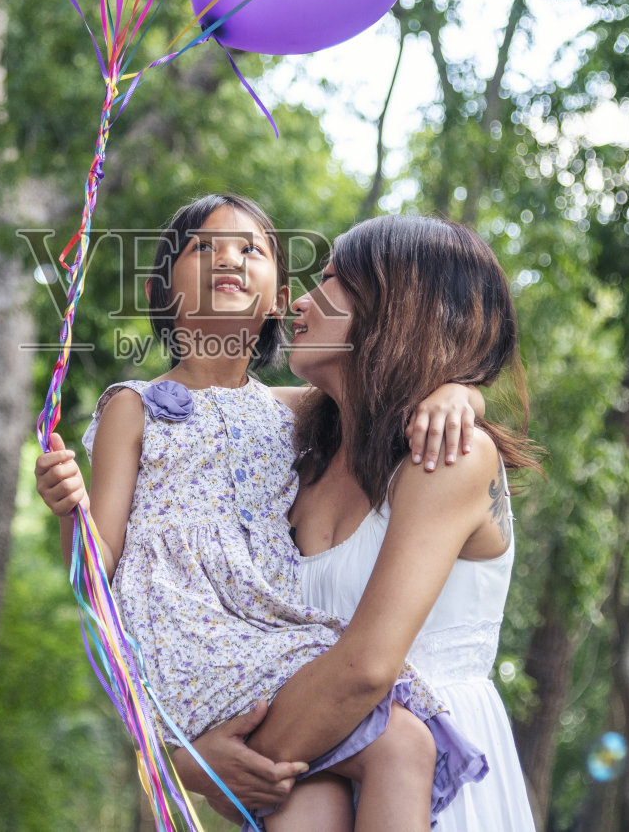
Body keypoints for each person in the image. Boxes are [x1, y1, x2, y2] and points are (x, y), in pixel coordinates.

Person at [35, 194, 489, 830]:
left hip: (262, 636)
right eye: (204, 248)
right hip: (190, 638)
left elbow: (392, 382)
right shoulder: (132, 407)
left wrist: (458, 390)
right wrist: (68, 511)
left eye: (251, 249)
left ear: (279, 298)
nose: (229, 258)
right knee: (402, 743)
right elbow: (94, 578)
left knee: (318, 794)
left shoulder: (288, 415)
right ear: (160, 290)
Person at [179, 214, 540, 831]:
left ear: (396, 307)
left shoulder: (445, 456)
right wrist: (189, 756)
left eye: (330, 281)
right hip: (314, 772)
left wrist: (219, 764)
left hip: (431, 771)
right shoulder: (293, 441)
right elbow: (184, 403)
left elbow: (368, 668)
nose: (298, 301)